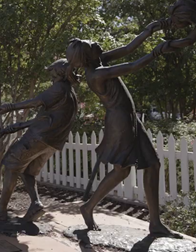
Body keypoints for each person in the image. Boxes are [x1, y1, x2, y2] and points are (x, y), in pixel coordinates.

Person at [66, 38, 180, 238]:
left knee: (152, 165)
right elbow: (132, 66)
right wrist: (157, 51)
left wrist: (150, 30)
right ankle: (88, 206)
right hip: (121, 123)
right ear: (86, 57)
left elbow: (128, 49)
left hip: (130, 119)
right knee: (122, 170)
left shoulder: (99, 60)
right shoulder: (96, 74)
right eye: (90, 45)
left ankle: (155, 223)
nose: (95, 43)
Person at [0, 58, 79, 222]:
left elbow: (35, 102)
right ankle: (36, 204)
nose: (50, 77)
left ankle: (1, 211)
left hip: (39, 137)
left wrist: (10, 106)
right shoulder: (71, 93)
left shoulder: (58, 88)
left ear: (58, 72)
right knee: (28, 172)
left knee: (11, 165)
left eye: (51, 73)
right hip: (53, 142)